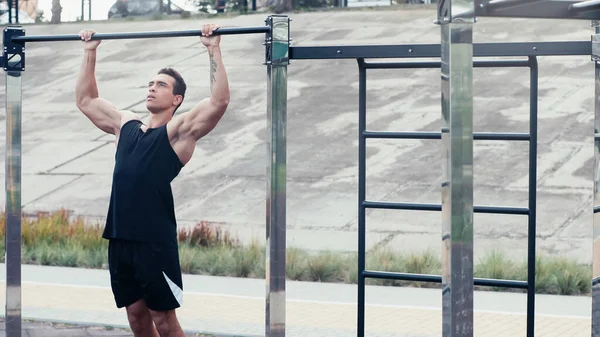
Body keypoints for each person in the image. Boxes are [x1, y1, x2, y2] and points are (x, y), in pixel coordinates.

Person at [75, 24, 230, 337]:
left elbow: (218, 103)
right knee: (136, 317)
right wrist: (90, 52)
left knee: (163, 320)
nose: (152, 87)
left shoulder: (177, 133)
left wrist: (213, 48)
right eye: (150, 83)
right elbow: (86, 100)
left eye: (161, 84)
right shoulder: (126, 125)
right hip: (119, 237)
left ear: (176, 99)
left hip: (153, 241)